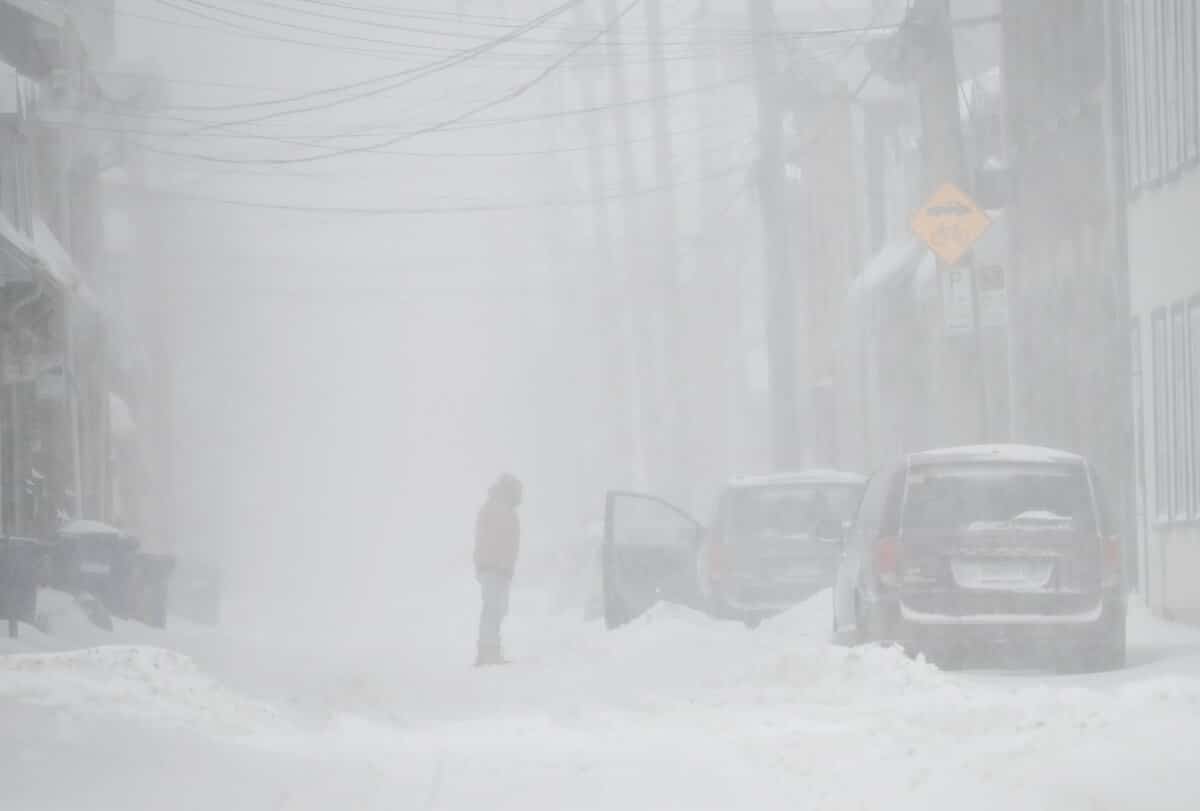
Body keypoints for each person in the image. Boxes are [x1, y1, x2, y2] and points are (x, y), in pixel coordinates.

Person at [473, 473, 522, 666]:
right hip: (494, 568)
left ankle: (490, 650)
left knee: (497, 609)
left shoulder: (502, 509)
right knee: (493, 609)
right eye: (517, 491)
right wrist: (495, 565)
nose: (520, 496)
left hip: (499, 568)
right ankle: (487, 652)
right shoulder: (497, 509)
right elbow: (494, 541)